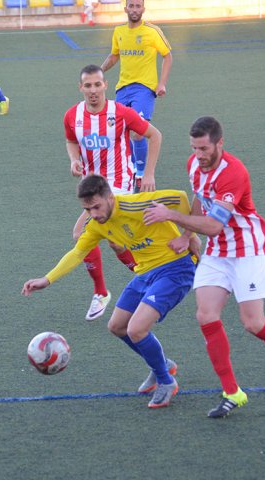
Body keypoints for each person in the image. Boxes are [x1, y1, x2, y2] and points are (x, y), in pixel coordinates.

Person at [143, 116, 265, 418]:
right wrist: (186, 235)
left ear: (220, 143)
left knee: (253, 323)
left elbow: (215, 225)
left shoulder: (234, 173)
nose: (199, 155)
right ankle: (233, 392)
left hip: (247, 249)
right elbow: (199, 198)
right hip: (218, 252)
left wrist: (171, 216)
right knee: (206, 315)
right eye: (194, 148)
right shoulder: (194, 164)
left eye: (204, 148)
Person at [22, 174, 199, 408]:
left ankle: (166, 381)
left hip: (175, 269)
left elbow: (181, 197)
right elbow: (77, 253)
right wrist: (47, 279)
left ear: (110, 198)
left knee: (136, 329)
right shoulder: (97, 224)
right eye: (87, 209)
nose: (94, 213)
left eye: (96, 206)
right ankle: (162, 365)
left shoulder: (137, 204)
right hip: (145, 273)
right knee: (117, 327)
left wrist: (188, 236)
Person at [65, 64, 164, 321]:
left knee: (81, 233)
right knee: (116, 240)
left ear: (105, 85)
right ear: (81, 88)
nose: (93, 90)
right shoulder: (72, 116)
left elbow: (155, 136)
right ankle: (148, 277)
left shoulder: (121, 113)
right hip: (92, 189)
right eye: (88, 85)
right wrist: (74, 160)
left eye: (98, 84)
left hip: (117, 184)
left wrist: (149, 173)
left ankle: (102, 291)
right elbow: (71, 141)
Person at [100, 0, 172, 188]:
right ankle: (131, 169)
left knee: (138, 132)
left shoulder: (152, 31)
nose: (134, 9)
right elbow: (114, 55)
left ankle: (140, 174)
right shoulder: (119, 32)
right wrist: (100, 72)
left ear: (143, 9)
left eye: (138, 6)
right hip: (123, 88)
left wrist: (161, 83)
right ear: (125, 9)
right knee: (121, 132)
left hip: (145, 88)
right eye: (131, 6)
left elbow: (167, 55)